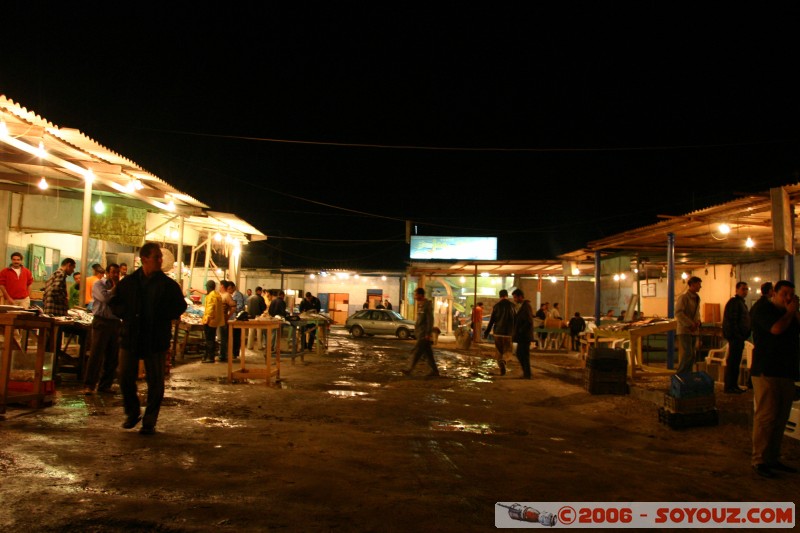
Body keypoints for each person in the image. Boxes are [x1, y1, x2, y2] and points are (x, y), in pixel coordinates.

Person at [110, 243, 187, 435]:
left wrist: (162, 316)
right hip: (131, 335)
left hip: (156, 338)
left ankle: (150, 420)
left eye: (161, 257)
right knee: (124, 374)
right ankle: (132, 411)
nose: (161, 261)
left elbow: (180, 306)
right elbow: (114, 302)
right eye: (157, 257)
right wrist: (126, 314)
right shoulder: (129, 282)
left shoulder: (168, 285)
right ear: (144, 259)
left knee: (156, 381)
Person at [749, 279, 800, 478]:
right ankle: (759, 459)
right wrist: (789, 313)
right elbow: (776, 329)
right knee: (766, 416)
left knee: (780, 418)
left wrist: (794, 311)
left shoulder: (791, 314)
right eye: (784, 294)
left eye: (791, 295)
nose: (788, 298)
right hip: (766, 371)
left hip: (786, 372)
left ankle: (772, 457)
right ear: (774, 294)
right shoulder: (763, 310)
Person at [83, 263, 121, 395]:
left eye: (118, 272)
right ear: (107, 273)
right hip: (101, 322)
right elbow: (105, 298)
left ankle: (105, 385)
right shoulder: (99, 285)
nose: (116, 275)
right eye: (113, 272)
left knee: (112, 356)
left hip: (115, 323)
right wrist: (115, 289)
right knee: (96, 354)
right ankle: (89, 385)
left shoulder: (120, 286)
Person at [42, 257, 77, 358]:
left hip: (49, 309)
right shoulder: (61, 274)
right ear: (68, 265)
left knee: (49, 338)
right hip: (55, 310)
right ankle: (51, 360)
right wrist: (64, 301)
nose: (73, 271)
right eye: (73, 268)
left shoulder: (54, 273)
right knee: (53, 339)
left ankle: (49, 358)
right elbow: (55, 291)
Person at [721, 281, 751, 394]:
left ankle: (733, 385)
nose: (745, 291)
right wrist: (737, 335)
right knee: (733, 362)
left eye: (746, 289)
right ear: (737, 289)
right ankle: (730, 386)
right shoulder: (735, 303)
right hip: (736, 338)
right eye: (743, 289)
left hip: (738, 337)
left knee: (735, 362)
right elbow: (732, 321)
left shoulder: (740, 303)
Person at [402, 287, 438, 377]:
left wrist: (427, 333)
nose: (415, 296)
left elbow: (430, 320)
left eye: (416, 294)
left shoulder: (427, 305)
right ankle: (435, 371)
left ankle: (409, 369)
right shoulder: (420, 305)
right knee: (428, 354)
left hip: (424, 334)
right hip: (420, 333)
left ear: (421, 295)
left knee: (417, 352)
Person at [674, 276, 702, 375]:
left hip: (694, 330)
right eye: (698, 284)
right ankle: (680, 373)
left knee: (692, 354)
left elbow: (697, 312)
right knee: (688, 353)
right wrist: (690, 324)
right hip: (684, 330)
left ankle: (688, 374)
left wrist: (698, 321)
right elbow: (678, 313)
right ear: (692, 285)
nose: (700, 286)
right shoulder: (684, 298)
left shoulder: (697, 298)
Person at [483, 289, 515, 375]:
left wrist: (486, 333)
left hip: (497, 332)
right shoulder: (512, 306)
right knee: (508, 351)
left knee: (499, 351)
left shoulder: (496, 306)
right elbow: (515, 320)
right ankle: (503, 361)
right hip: (508, 333)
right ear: (507, 296)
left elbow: (491, 321)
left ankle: (501, 366)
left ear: (499, 296)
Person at [200, 280, 224, 363]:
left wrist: (206, 319)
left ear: (209, 287)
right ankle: (210, 356)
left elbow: (210, 309)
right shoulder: (217, 295)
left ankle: (210, 357)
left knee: (209, 340)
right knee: (212, 339)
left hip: (209, 321)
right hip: (215, 321)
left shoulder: (211, 296)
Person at [511, 288, 533, 379]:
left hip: (524, 336)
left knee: (522, 354)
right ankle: (526, 373)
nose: (514, 299)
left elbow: (528, 321)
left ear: (520, 297)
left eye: (515, 297)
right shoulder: (523, 306)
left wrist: (520, 330)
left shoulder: (526, 306)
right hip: (522, 335)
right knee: (521, 354)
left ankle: (527, 374)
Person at [227, 281, 246, 359]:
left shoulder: (238, 295)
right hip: (232, 318)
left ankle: (235, 353)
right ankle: (232, 352)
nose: (228, 290)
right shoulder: (232, 295)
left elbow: (240, 306)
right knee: (232, 336)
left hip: (237, 319)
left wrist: (232, 309)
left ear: (233, 287)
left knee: (236, 337)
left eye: (229, 289)